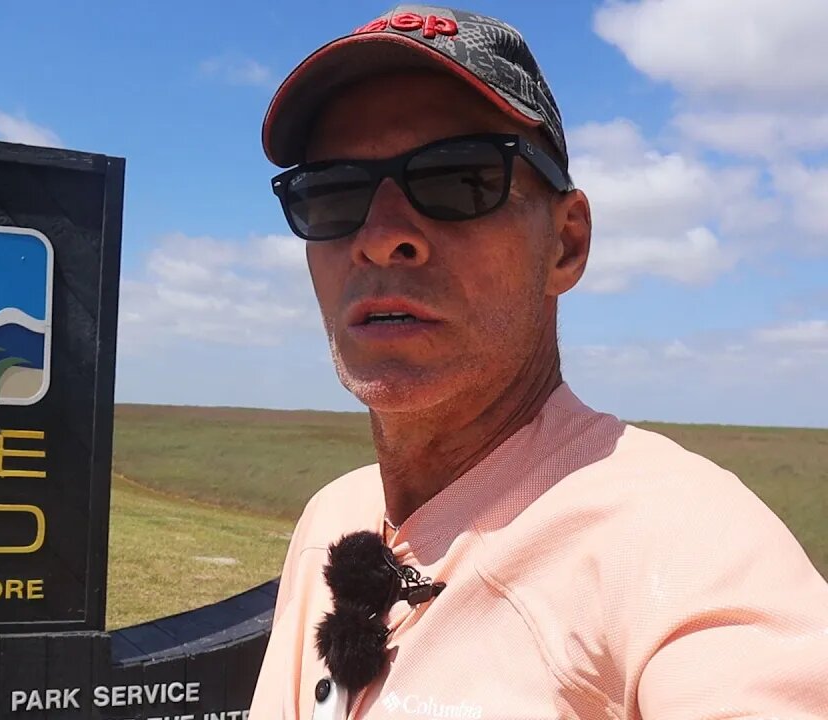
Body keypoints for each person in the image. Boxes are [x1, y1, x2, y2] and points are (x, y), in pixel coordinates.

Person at [247, 5, 828, 719]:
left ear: (567, 243)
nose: (382, 236)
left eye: (460, 179)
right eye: (332, 191)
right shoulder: (331, 521)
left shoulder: (679, 551)